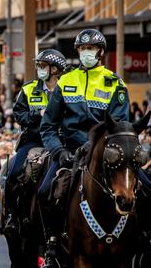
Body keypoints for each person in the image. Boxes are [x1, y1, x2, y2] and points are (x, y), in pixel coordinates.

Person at [37, 29, 135, 268]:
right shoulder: (66, 81)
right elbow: (48, 125)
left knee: (146, 187)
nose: (86, 53)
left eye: (90, 49)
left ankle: (144, 242)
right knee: (45, 191)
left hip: (107, 154)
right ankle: (51, 245)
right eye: (82, 49)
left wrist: (101, 148)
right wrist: (58, 151)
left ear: (100, 52)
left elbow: (121, 127)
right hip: (70, 152)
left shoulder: (115, 83)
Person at [4, 49, 66, 230]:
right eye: (38, 65)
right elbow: (19, 115)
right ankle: (11, 215)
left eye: (43, 66)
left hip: (60, 142)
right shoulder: (28, 88)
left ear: (55, 69)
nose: (39, 69)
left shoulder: (69, 89)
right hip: (33, 140)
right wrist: (37, 114)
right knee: (14, 173)